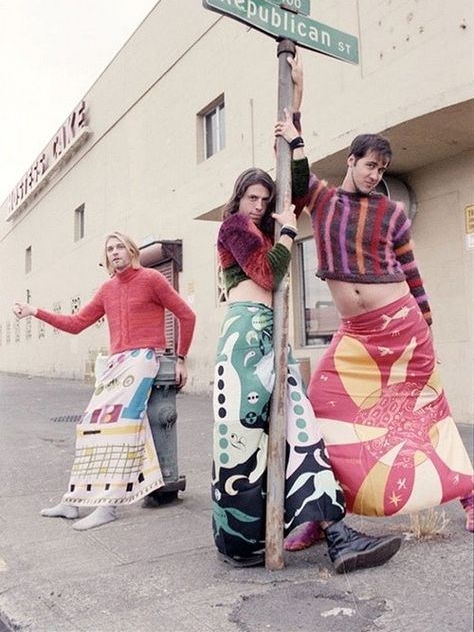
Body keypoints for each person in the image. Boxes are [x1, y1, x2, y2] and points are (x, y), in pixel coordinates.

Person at [211, 57, 402, 572]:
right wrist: (289, 237)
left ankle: (336, 534)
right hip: (243, 338)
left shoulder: (267, 225)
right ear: (238, 199)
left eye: (263, 199)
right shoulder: (232, 227)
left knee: (301, 426)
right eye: (251, 197)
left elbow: (295, 184)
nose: (257, 205)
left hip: (269, 338)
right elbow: (268, 274)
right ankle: (245, 538)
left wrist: (295, 114)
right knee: (247, 439)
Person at [273, 110, 474, 541]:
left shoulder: (393, 212)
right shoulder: (323, 201)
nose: (374, 175)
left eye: (381, 169)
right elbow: (296, 175)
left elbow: (411, 272)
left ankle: (469, 495)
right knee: (317, 409)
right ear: (351, 161)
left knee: (430, 413)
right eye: (369, 166)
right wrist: (296, 128)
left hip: (402, 326)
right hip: (357, 335)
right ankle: (322, 511)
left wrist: (428, 327)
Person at [13, 231, 196, 531]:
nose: (114, 252)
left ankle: (107, 506)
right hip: (115, 364)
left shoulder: (151, 279)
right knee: (89, 426)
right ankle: (73, 502)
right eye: (109, 249)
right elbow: (76, 324)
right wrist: (35, 311)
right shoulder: (107, 289)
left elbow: (186, 315)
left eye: (119, 246)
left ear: (131, 250)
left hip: (143, 359)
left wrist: (181, 358)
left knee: (120, 426)